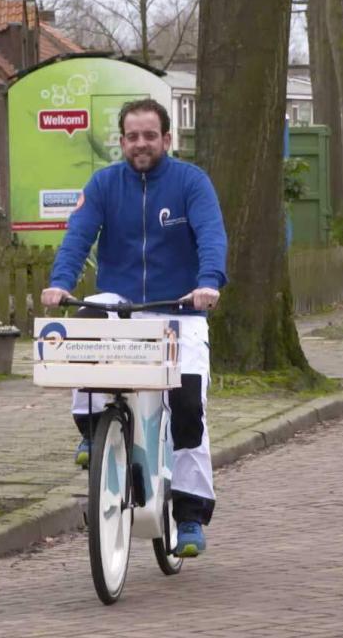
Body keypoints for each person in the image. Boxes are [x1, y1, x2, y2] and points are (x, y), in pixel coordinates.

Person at [41, 98, 227, 558]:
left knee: (188, 408)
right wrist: (59, 284)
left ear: (167, 139)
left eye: (150, 135)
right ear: (122, 141)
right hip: (122, 304)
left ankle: (188, 515)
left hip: (178, 309)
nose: (140, 144)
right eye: (132, 136)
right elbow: (78, 236)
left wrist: (207, 283)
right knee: (87, 322)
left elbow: (211, 234)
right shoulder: (104, 184)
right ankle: (92, 426)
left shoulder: (191, 183)